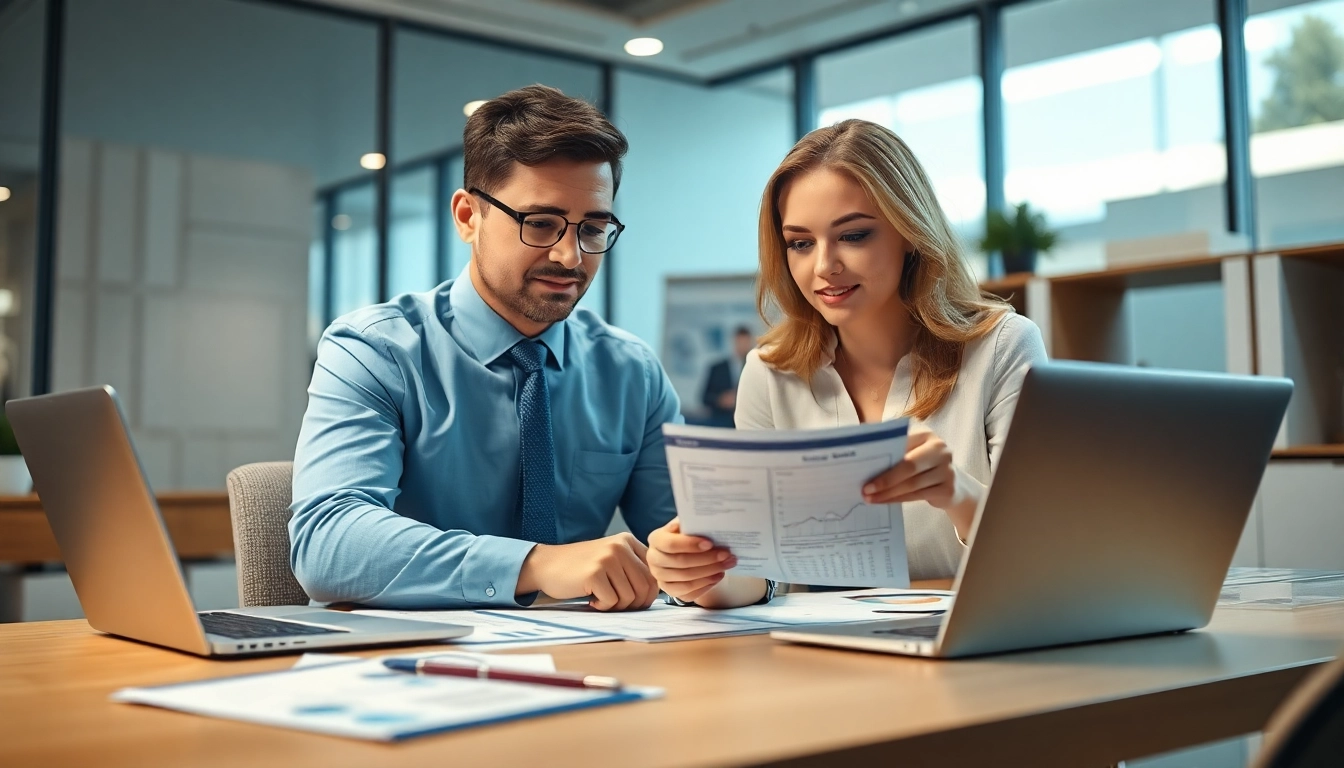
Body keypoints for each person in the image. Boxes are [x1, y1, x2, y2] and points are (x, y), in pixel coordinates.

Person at [290, 85, 687, 612]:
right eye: (540, 224)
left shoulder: (630, 371)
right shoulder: (375, 351)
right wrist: (536, 564)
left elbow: (694, 537)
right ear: (467, 217)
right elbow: (328, 544)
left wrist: (722, 567)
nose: (570, 257)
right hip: (411, 665)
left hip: (590, 656)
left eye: (592, 228)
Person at [647, 119, 1047, 608]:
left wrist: (959, 493)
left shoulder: (1003, 347)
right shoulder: (769, 371)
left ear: (910, 233)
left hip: (977, 641)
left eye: (853, 236)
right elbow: (758, 574)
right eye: (800, 243)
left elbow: (1041, 556)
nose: (823, 267)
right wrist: (700, 575)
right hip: (824, 656)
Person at [700, 326, 754, 427]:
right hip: (720, 424)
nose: (742, 346)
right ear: (734, 341)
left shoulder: (754, 369)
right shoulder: (717, 368)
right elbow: (704, 397)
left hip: (746, 426)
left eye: (745, 343)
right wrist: (720, 400)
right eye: (740, 342)